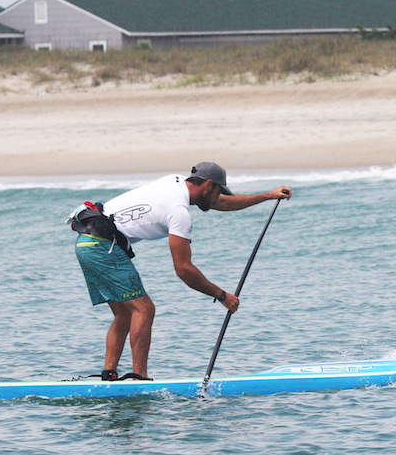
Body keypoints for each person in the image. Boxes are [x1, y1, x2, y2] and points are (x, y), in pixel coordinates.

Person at [70, 162, 291, 381]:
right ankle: (139, 377)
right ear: (208, 185)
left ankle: (110, 374)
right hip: (103, 247)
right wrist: (221, 295)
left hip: (86, 243)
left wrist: (268, 196)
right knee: (144, 309)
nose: (217, 199)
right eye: (216, 192)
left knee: (125, 313)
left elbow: (220, 203)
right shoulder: (179, 211)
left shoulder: (174, 181)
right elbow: (184, 269)